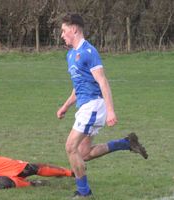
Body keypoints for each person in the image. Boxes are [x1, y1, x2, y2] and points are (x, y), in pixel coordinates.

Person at [57, 13, 148, 198]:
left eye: (64, 31)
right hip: (84, 106)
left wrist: (111, 111)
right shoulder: (70, 55)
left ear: (74, 29)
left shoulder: (89, 52)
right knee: (84, 153)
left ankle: (84, 192)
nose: (62, 35)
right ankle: (125, 143)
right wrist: (65, 106)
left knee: (70, 147)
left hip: (93, 106)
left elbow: (103, 82)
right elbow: (79, 86)